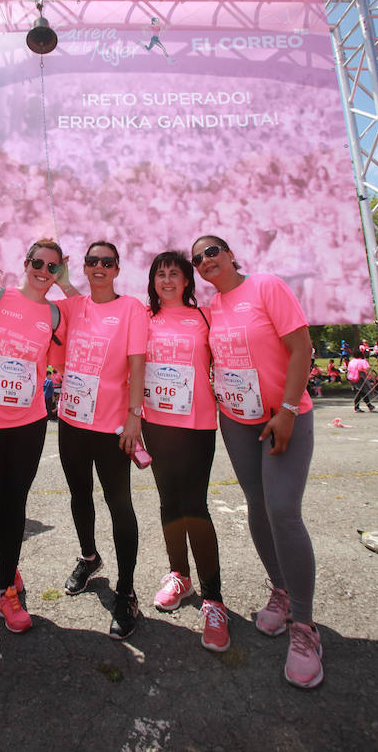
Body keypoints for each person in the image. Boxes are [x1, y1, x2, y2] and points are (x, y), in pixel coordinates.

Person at [191, 234, 322, 690]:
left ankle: (304, 628)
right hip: (237, 420)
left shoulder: (266, 286)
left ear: (229, 255)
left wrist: (287, 411)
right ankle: (281, 592)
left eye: (211, 252)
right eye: (197, 259)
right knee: (257, 503)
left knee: (283, 511)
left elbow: (301, 348)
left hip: (283, 417)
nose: (205, 261)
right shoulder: (211, 309)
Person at [0, 239, 65, 633]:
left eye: (53, 267)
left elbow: (58, 363)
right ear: (25, 264)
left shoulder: (55, 315)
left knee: (14, 504)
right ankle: (11, 559)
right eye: (37, 262)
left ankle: (4, 588)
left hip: (28, 423)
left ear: (59, 273)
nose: (43, 271)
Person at [56, 241, 148, 639]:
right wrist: (62, 282)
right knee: (79, 495)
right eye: (91, 261)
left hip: (113, 426)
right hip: (71, 421)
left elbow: (137, 363)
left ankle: (126, 592)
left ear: (116, 269)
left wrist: (134, 418)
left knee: (119, 504)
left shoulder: (131, 309)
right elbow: (84, 304)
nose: (98, 267)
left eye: (106, 262)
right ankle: (89, 557)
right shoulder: (73, 306)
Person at [142, 251, 230, 652]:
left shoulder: (204, 316)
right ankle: (180, 575)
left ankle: (213, 599)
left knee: (195, 507)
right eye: (160, 274)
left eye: (174, 274)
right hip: (155, 426)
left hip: (196, 426)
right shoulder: (143, 318)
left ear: (187, 281)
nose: (167, 280)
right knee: (168, 505)